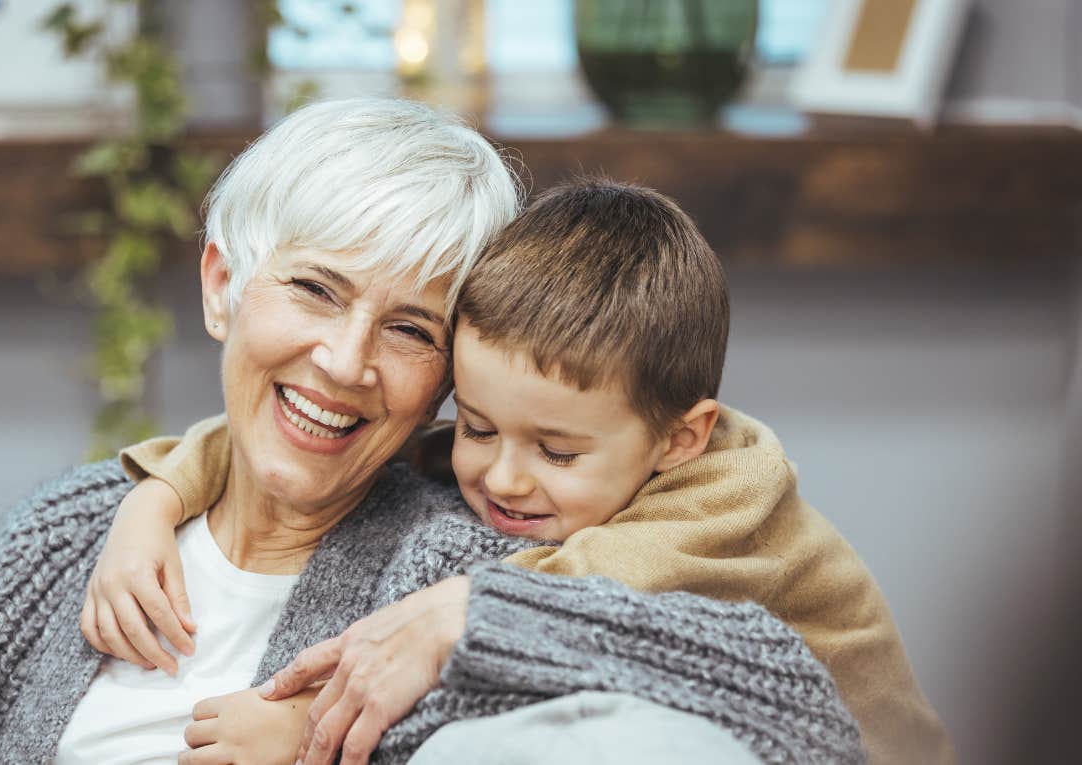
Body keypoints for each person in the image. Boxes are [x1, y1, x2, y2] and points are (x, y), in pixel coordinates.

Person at [0, 99, 862, 765]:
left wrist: (470, 621)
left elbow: (790, 709)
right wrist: (152, 498)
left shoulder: (467, 558)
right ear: (221, 284)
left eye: (408, 328)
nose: (345, 364)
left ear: (453, 376)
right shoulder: (72, 531)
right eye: (312, 289)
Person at [95, 180, 950, 765]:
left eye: (558, 452)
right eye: (473, 425)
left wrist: (307, 715)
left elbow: (560, 612)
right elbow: (362, 432)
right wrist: (160, 493)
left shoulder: (719, 503)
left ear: (682, 438)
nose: (502, 478)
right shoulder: (534, 444)